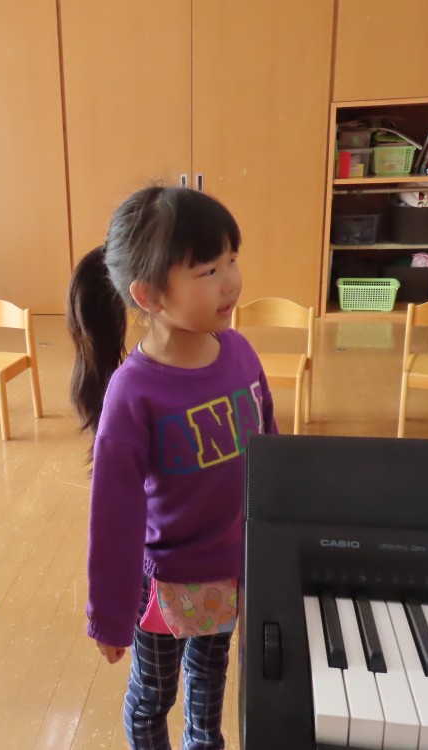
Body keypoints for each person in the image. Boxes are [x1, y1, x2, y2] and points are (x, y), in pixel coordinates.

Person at [66, 186, 277, 749]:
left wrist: (278, 541)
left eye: (231, 259)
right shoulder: (133, 392)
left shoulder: (240, 353)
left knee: (209, 688)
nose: (231, 281)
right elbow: (114, 514)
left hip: (229, 571)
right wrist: (110, 614)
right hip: (165, 581)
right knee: (152, 698)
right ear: (150, 295)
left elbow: (270, 450)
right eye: (208, 270)